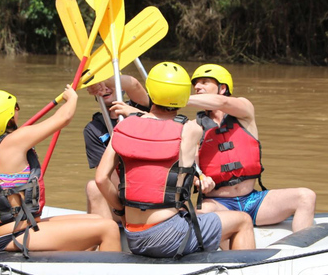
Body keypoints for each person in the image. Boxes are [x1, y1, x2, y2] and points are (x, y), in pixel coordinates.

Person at [95, 62, 255, 258]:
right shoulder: (191, 130)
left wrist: (121, 211)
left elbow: (101, 179)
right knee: (243, 220)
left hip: (133, 235)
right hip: (171, 236)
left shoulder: (122, 128)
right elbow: (164, 126)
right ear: (182, 97)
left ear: (151, 93)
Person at [0, 87, 121, 253]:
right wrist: (71, 97)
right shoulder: (15, 140)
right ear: (9, 118)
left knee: (96, 219)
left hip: (10, 232)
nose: (17, 112)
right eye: (16, 108)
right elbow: (63, 118)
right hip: (18, 235)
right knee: (109, 228)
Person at [187, 64, 316, 231]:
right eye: (195, 84)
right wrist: (201, 180)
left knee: (306, 196)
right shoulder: (193, 127)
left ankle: (300, 253)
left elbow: (223, 102)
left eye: (204, 82)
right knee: (193, 215)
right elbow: (194, 170)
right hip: (219, 204)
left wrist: (178, 98)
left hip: (253, 201)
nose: (197, 87)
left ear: (222, 88)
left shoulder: (244, 111)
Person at [83, 75, 149, 221]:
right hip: (124, 198)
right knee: (93, 187)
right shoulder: (94, 129)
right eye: (100, 88)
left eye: (109, 84)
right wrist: (123, 209)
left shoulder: (139, 108)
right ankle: (106, 238)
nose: (105, 89)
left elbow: (135, 85)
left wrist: (102, 80)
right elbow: (107, 177)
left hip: (150, 190)